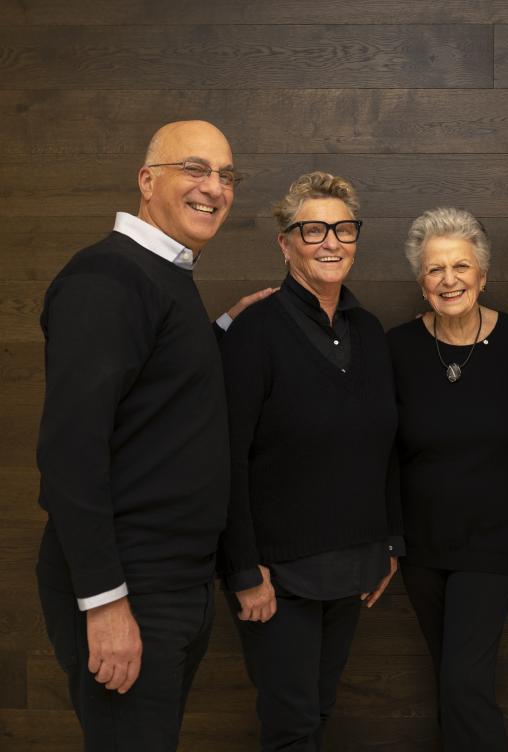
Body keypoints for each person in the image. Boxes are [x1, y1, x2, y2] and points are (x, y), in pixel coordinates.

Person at [35, 119, 270, 751]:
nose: (214, 188)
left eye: (226, 175)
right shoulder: (107, 278)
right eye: (194, 169)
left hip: (175, 582)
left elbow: (157, 389)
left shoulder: (163, 274)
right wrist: (105, 603)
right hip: (129, 588)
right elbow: (70, 451)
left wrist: (221, 330)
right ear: (147, 180)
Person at [218, 171, 402, 751]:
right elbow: (229, 460)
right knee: (292, 728)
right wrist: (243, 571)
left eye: (343, 228)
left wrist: (388, 543)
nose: (331, 241)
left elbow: (385, 446)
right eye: (313, 229)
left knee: (320, 713)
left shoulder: (370, 332)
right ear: (285, 242)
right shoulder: (255, 331)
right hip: (278, 578)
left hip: (351, 569)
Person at [387, 207, 508, 751]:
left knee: (464, 681)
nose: (449, 280)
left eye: (460, 267)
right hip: (421, 548)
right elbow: (380, 447)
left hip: (493, 543)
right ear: (420, 282)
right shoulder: (397, 347)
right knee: (450, 679)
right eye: (434, 270)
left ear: (483, 275)